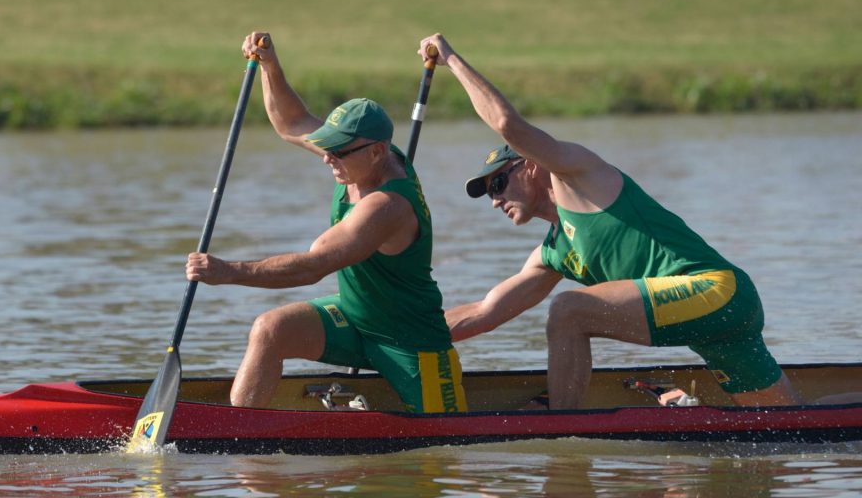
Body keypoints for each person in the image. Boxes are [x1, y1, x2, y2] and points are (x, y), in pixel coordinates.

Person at [418, 32, 802, 410]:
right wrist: (403, 335)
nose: (495, 200)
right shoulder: (552, 253)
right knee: (792, 424)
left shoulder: (580, 177)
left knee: (568, 310)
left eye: (499, 182)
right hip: (719, 326)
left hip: (718, 292)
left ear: (531, 166)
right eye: (488, 192)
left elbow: (507, 125)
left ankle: (561, 430)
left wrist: (451, 59)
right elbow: (486, 314)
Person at [185, 32, 468, 414]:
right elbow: (292, 122)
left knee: (442, 450)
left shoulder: (386, 207)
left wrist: (228, 271)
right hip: (354, 317)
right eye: (327, 147)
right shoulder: (359, 153)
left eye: (337, 152)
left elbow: (313, 265)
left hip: (411, 343)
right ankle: (239, 429)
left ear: (377, 152)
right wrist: (270, 65)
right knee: (271, 329)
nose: (326, 158)